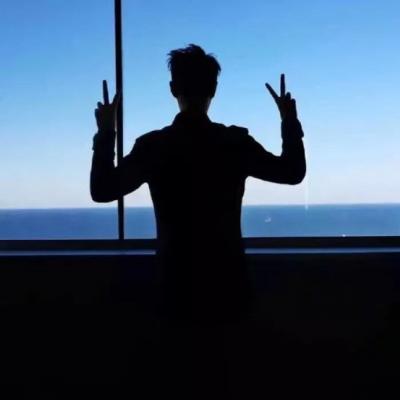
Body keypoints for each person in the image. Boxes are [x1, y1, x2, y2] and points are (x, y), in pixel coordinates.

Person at [90, 44, 306, 325]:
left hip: (174, 287)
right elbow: (292, 172)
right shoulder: (234, 143)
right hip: (228, 286)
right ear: (213, 89)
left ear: (173, 89)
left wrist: (107, 131)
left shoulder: (154, 146)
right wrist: (289, 121)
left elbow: (102, 190)